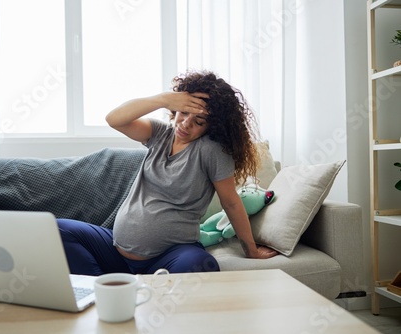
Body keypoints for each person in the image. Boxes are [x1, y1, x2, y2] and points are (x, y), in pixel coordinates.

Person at [57, 70, 278, 276]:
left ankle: (132, 288)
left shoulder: (211, 151)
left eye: (198, 121)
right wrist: (162, 99)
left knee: (201, 265)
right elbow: (114, 119)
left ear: (212, 127)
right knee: (58, 230)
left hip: (169, 256)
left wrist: (251, 250)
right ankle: (106, 291)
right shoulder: (160, 134)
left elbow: (231, 202)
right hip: (115, 251)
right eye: (183, 112)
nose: (185, 124)